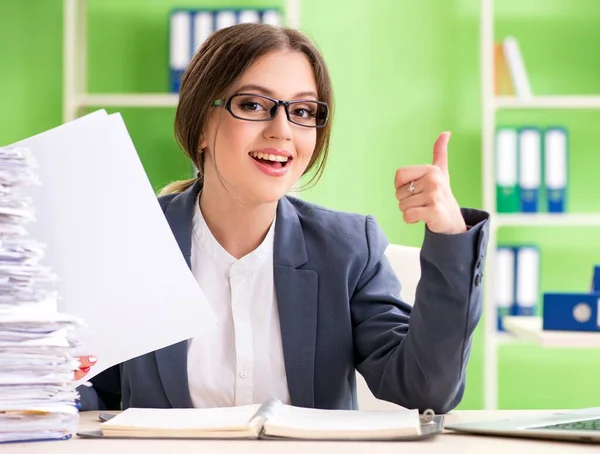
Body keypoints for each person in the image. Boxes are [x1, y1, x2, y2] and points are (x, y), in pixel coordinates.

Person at [77, 23, 489, 414]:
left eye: (304, 111)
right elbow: (96, 387)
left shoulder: (346, 248)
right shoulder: (134, 238)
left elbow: (425, 388)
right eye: (253, 105)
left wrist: (449, 234)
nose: (283, 130)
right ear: (202, 125)